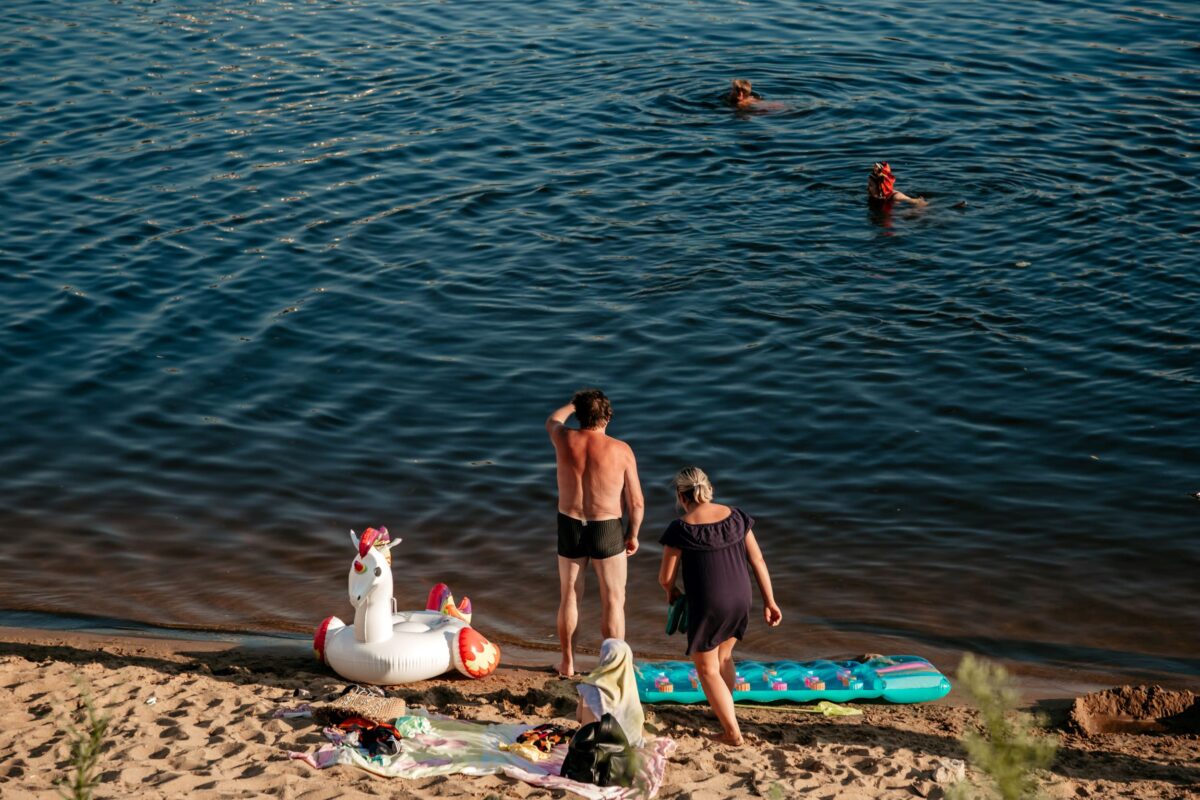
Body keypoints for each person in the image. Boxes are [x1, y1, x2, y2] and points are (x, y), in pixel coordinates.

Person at [658, 467, 781, 745]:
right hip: (741, 598)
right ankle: (724, 711)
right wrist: (770, 601)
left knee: (706, 669)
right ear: (708, 488)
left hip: (710, 602)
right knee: (724, 657)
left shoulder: (681, 527)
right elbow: (758, 561)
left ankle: (732, 733)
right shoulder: (736, 516)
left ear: (681, 495)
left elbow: (665, 577)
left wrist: (672, 592)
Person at [546, 389, 645, 677]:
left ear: (579, 415)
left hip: (571, 523)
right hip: (606, 526)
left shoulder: (563, 438)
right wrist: (633, 533)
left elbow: (552, 419)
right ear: (608, 417)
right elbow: (636, 502)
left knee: (570, 595)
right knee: (613, 598)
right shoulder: (621, 449)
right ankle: (612, 668)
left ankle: (567, 663)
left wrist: (571, 405)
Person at [576, 638, 645, 747]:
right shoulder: (631, 690)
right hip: (630, 745)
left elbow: (580, 718)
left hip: (600, 747)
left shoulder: (592, 688)